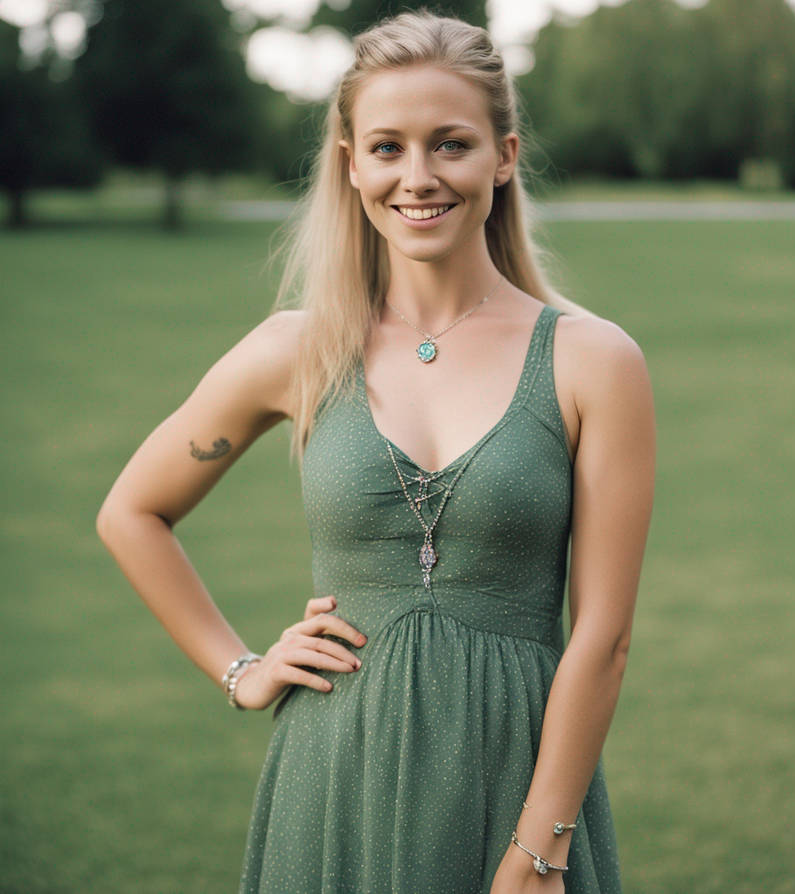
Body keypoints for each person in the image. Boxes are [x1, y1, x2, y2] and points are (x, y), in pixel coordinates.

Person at [96, 9, 655, 893]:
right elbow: (132, 511)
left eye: (452, 144)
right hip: (332, 777)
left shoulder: (593, 361)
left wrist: (540, 851)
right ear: (351, 162)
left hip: (519, 790)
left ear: (504, 157)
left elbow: (605, 636)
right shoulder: (296, 350)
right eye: (388, 147)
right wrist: (242, 668)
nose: (419, 177)